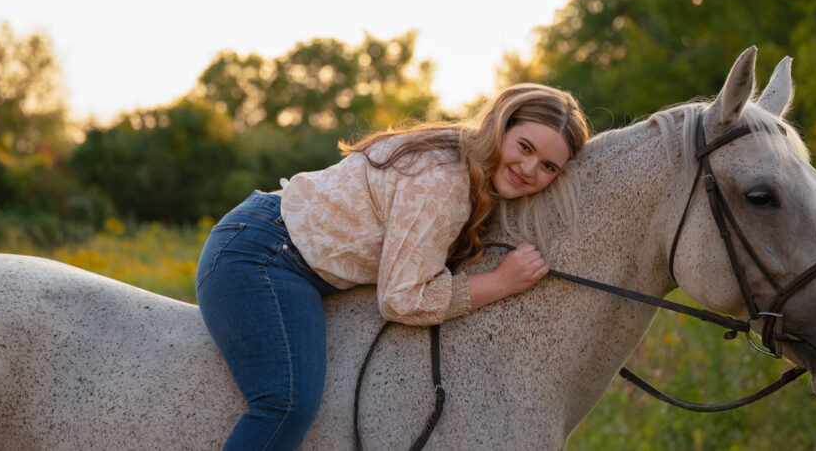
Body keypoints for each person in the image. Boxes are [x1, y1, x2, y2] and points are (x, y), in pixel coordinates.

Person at [195, 83, 589, 450]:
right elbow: (401, 298)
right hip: (264, 253)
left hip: (292, 253)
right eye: (524, 147)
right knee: (287, 404)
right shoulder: (443, 180)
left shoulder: (471, 165)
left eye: (548, 167)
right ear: (501, 126)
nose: (530, 169)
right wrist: (501, 282)